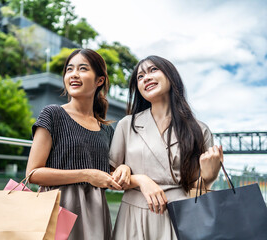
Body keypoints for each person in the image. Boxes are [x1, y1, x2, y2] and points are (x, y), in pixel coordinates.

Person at [109, 55, 223, 239]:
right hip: (134, 217)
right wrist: (140, 179)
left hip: (181, 217)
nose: (146, 77)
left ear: (171, 76)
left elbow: (198, 192)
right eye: (140, 76)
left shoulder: (200, 130)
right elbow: (111, 179)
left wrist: (209, 178)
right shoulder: (127, 124)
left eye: (153, 70)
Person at [26, 49, 128, 240]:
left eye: (82, 69)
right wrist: (87, 174)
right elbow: (32, 174)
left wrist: (123, 167)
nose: (73, 74)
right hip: (58, 208)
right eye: (69, 69)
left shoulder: (106, 130)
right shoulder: (53, 114)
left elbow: (112, 176)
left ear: (100, 80)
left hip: (96, 214)